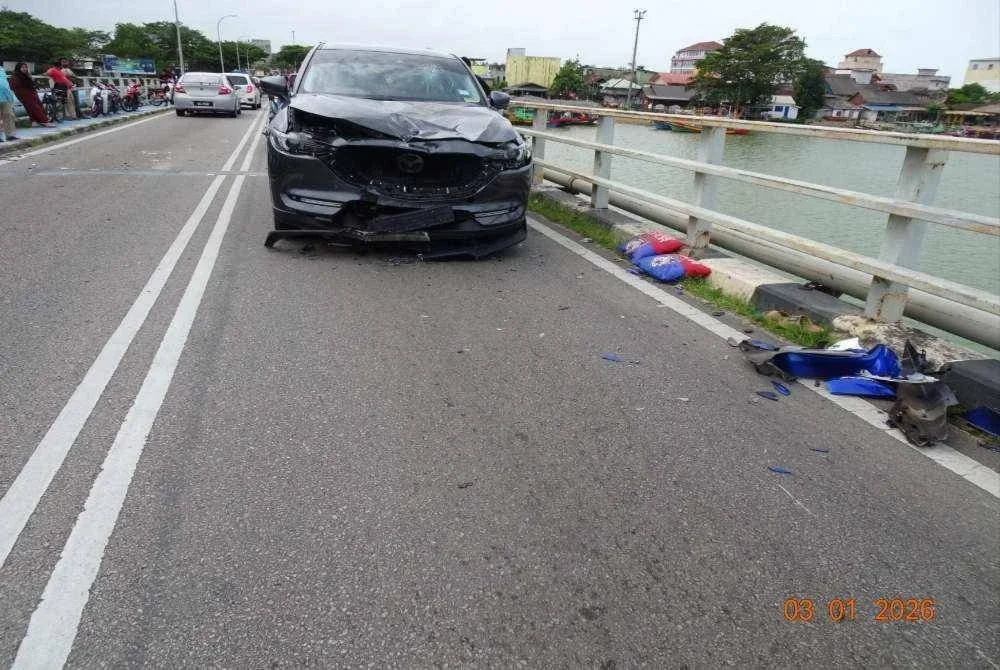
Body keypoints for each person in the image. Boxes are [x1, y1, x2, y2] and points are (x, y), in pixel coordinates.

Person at [10, 62, 55, 127]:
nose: (24, 69)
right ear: (18, 68)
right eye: (22, 67)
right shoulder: (15, 76)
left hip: (32, 93)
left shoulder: (27, 75)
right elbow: (14, 87)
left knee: (36, 106)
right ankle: (44, 121)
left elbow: (32, 84)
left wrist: (32, 80)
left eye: (26, 67)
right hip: (24, 94)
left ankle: (34, 121)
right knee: (35, 107)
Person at [0, 66, 19, 142]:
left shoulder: (1, 69)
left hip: (5, 96)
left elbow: (5, 83)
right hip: (4, 96)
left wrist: (10, 96)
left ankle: (10, 135)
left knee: (9, 115)